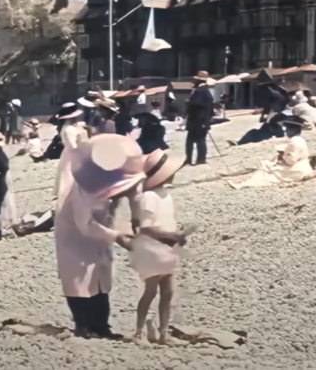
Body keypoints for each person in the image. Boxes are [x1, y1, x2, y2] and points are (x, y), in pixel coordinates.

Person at [54, 134, 142, 339]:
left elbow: (133, 192)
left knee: (100, 280)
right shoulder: (82, 187)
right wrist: (117, 236)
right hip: (74, 235)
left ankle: (102, 326)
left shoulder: (116, 177)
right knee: (78, 280)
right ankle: (83, 325)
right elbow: (85, 224)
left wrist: (136, 219)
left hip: (100, 231)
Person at [131, 149, 188, 345]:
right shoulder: (149, 197)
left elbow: (165, 221)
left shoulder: (165, 195)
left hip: (168, 249)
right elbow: (145, 228)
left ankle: (164, 332)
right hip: (153, 249)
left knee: (168, 292)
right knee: (151, 291)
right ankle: (139, 332)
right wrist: (171, 234)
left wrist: (176, 232)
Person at [227, 116, 314, 189]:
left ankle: (244, 185)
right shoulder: (299, 139)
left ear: (293, 129)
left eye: (287, 129)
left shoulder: (294, 141)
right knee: (270, 167)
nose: (286, 131)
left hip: (297, 171)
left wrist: (282, 156)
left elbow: (291, 161)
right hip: (304, 167)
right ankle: (245, 183)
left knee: (266, 170)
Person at [54, 104, 89, 209]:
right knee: (70, 179)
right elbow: (72, 145)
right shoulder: (68, 129)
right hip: (72, 155)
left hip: (73, 153)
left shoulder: (73, 126)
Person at [185, 71, 216, 166]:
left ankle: (194, 159)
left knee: (195, 140)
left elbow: (196, 105)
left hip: (197, 120)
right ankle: (199, 159)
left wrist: (189, 103)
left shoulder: (200, 91)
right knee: (198, 139)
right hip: (201, 120)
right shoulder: (205, 91)